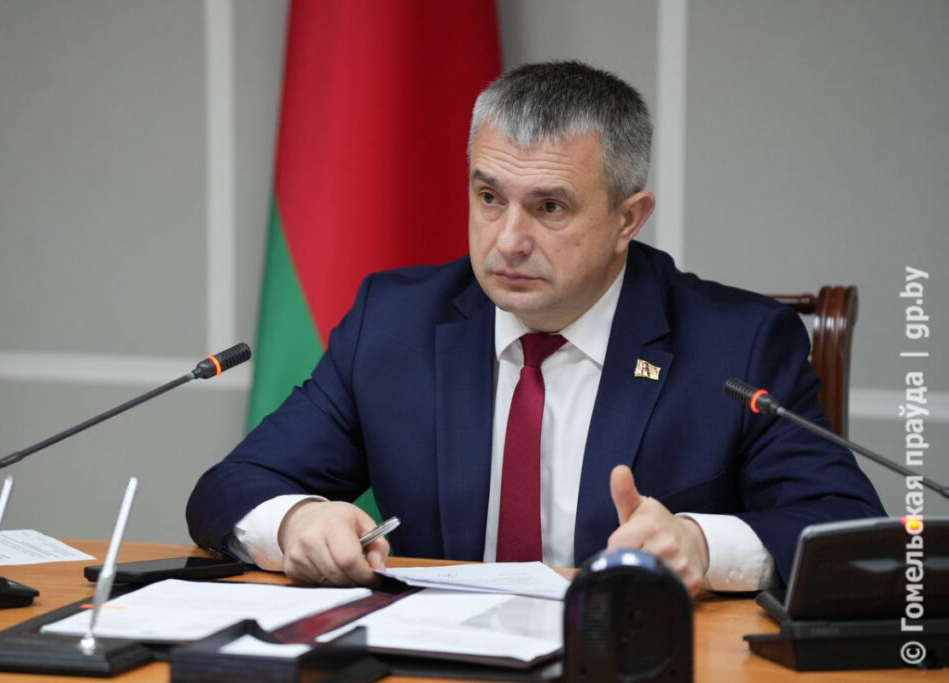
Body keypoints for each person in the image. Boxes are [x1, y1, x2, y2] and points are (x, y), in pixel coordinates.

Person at [186, 61, 884, 596]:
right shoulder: (395, 323)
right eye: (489, 197)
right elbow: (231, 486)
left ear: (628, 218)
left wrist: (702, 545)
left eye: (550, 207)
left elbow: (850, 531)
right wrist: (298, 521)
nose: (508, 241)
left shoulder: (738, 345)